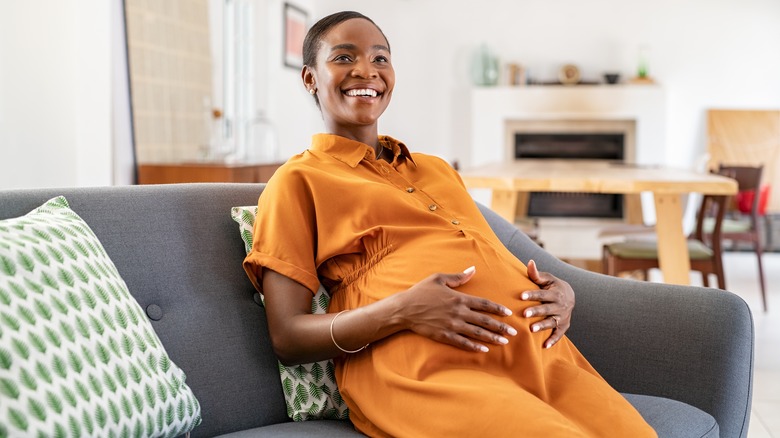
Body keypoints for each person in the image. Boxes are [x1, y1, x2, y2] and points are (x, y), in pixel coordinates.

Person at [243, 11, 655, 437]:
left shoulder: (436, 169)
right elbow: (287, 337)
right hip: (421, 368)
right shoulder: (298, 181)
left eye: (380, 59)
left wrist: (562, 291)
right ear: (310, 79)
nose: (366, 70)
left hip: (542, 356)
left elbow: (489, 257)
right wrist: (402, 309)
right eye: (344, 58)